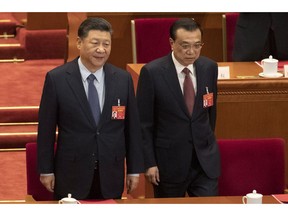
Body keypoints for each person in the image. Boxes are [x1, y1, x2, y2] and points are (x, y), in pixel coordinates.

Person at [37, 17, 144, 200]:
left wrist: (134, 170)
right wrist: (46, 170)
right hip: (71, 172)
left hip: (111, 172)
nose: (101, 50)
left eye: (106, 44)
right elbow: (46, 129)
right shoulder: (57, 79)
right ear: (79, 42)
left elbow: (132, 128)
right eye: (95, 43)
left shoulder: (123, 79)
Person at [136, 18, 220, 198]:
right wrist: (149, 162)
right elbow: (143, 123)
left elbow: (210, 113)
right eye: (185, 45)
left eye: (197, 45)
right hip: (169, 164)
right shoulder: (152, 72)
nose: (191, 52)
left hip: (204, 161)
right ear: (172, 43)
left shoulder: (209, 67)